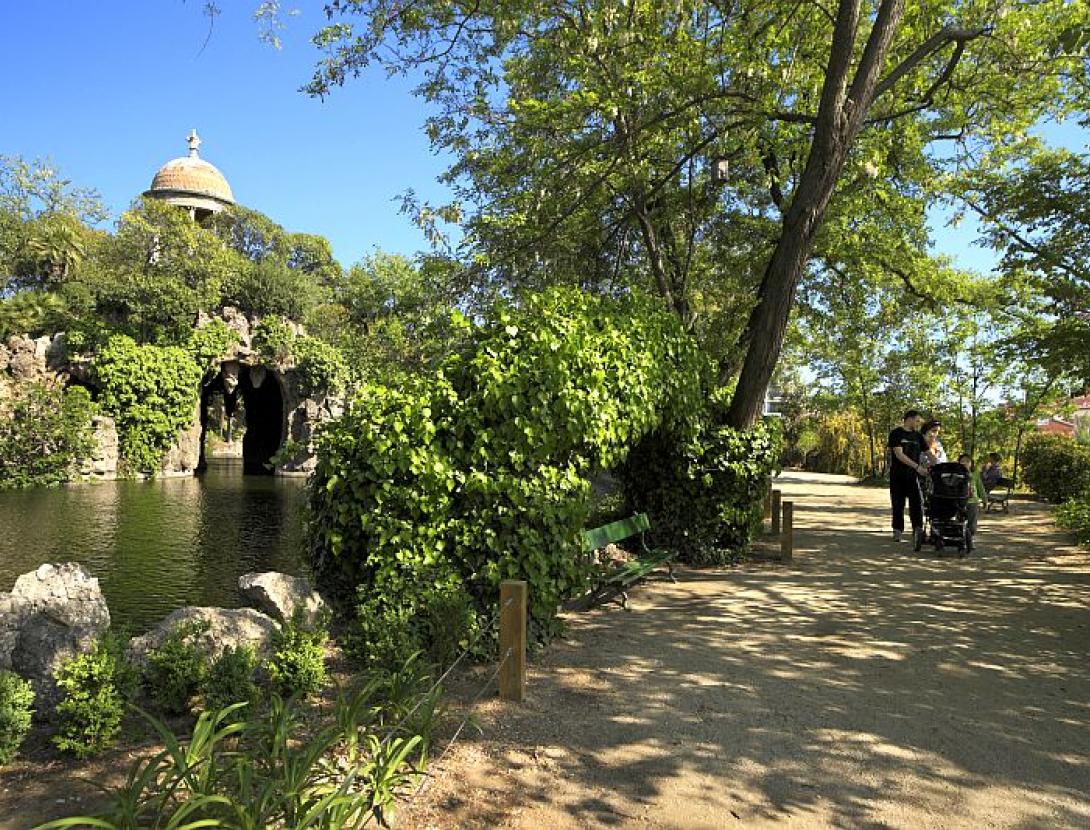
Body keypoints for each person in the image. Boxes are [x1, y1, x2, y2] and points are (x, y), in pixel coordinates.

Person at [888, 410, 927, 542]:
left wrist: (940, 466)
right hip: (897, 475)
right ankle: (897, 530)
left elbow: (929, 453)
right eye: (917, 420)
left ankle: (918, 530)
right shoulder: (896, 434)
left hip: (913, 477)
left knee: (917, 503)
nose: (918, 423)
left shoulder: (918, 436)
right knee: (898, 503)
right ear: (909, 419)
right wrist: (917, 467)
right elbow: (899, 455)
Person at [958, 453, 986, 537]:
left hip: (973, 501)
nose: (965, 463)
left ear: (971, 463)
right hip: (960, 500)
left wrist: (984, 499)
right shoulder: (957, 473)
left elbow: (980, 487)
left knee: (972, 523)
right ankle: (960, 538)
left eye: (967, 461)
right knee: (959, 521)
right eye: (962, 461)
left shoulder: (975, 474)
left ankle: (970, 538)